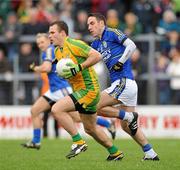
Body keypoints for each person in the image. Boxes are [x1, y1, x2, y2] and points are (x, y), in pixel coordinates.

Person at [21, 33, 116, 149]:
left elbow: (47, 68)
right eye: (38, 43)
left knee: (76, 117)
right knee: (34, 111)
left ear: (48, 41)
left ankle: (106, 124)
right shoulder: (51, 52)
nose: (40, 45)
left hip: (62, 89)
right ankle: (36, 141)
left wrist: (34, 68)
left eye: (42, 42)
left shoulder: (50, 50)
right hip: (53, 90)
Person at [87, 13, 159, 161]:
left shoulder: (112, 32)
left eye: (92, 23)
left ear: (101, 23)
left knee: (93, 105)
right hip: (126, 85)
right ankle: (150, 153)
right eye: (88, 24)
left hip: (124, 82)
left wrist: (121, 61)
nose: (89, 27)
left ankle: (129, 116)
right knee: (126, 126)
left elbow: (131, 45)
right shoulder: (95, 44)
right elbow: (85, 56)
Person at [49, 21, 122, 161]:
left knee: (56, 109)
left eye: (52, 32)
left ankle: (78, 142)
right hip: (81, 91)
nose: (49, 36)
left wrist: (78, 68)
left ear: (63, 33)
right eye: (49, 33)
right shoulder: (58, 50)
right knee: (90, 129)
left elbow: (97, 56)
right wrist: (62, 72)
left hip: (89, 90)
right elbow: (68, 68)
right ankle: (115, 152)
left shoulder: (75, 44)